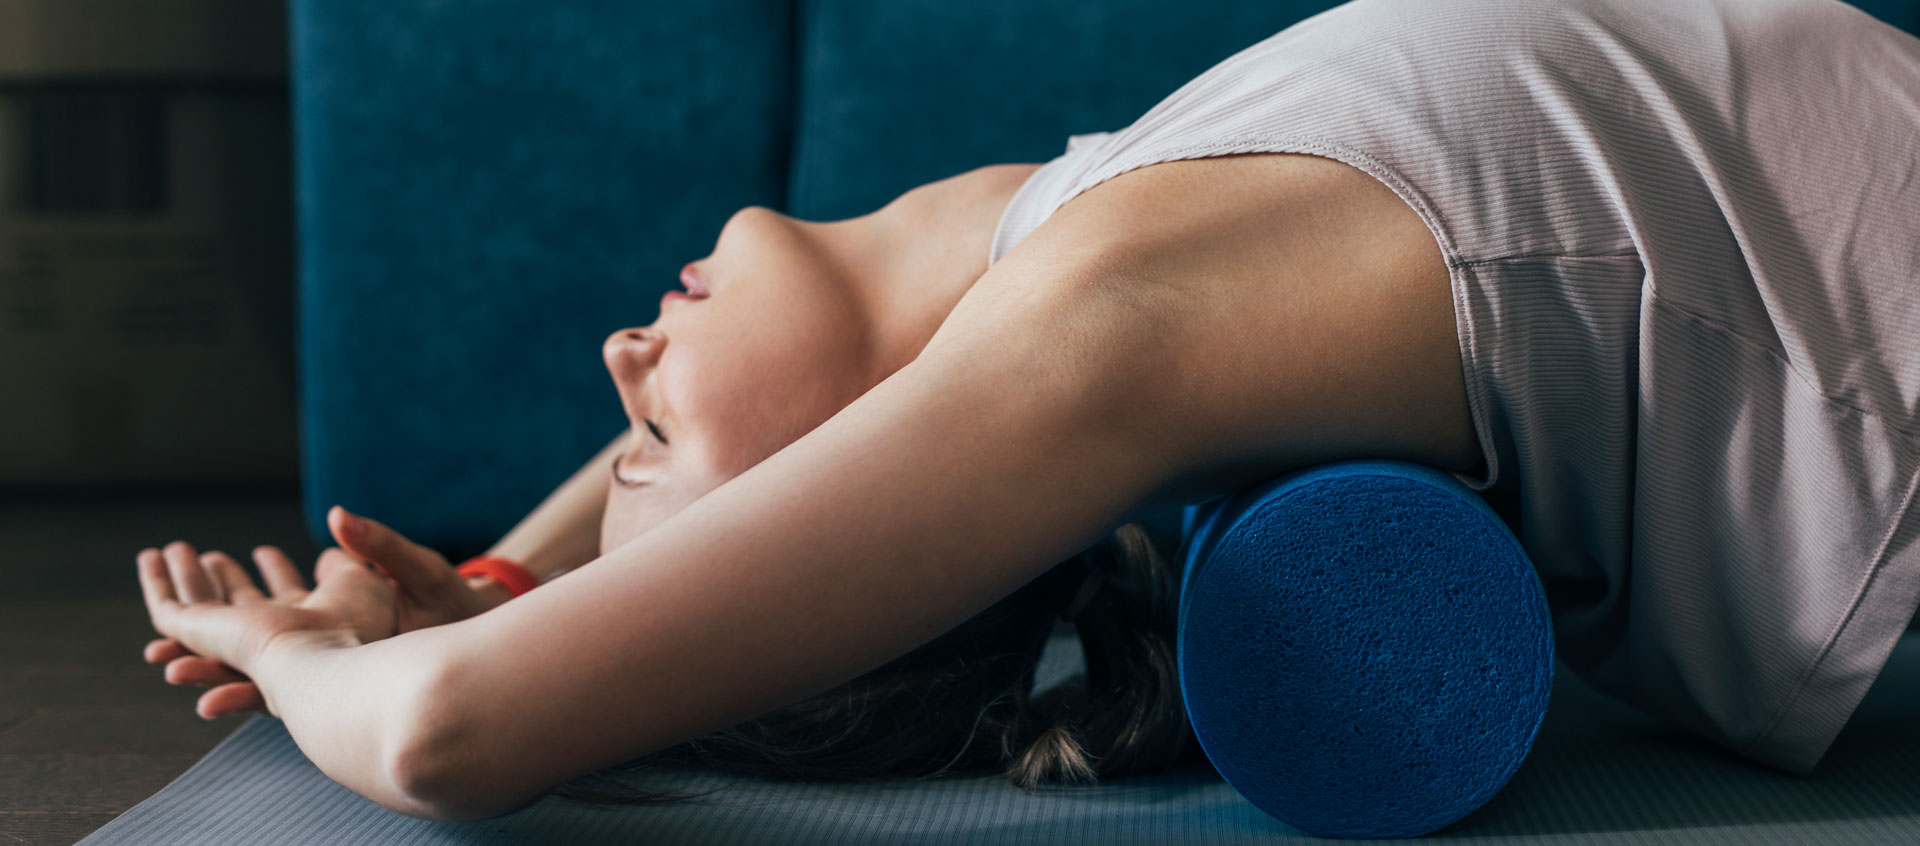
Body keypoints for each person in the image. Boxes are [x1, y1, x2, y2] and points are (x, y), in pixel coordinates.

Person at [135, 0, 1920, 820]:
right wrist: (294, 662)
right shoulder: (1110, 328)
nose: (622, 372)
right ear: (885, 481)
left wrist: (489, 580)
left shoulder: (1050, 229)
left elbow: (511, 618)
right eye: (669, 452)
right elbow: (446, 731)